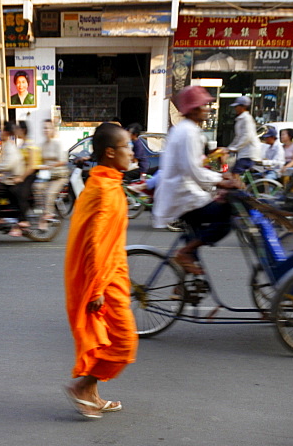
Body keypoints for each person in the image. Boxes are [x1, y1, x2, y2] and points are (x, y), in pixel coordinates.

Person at [64, 121, 138, 419]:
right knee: (123, 341)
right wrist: (95, 289)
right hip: (103, 280)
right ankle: (82, 388)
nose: (132, 151)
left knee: (109, 338)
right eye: (126, 146)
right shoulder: (103, 190)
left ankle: (91, 394)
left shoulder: (107, 181)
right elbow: (93, 244)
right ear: (110, 152)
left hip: (115, 273)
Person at [153, 85, 239, 276]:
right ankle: (184, 253)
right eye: (203, 106)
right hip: (184, 195)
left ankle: (182, 288)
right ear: (193, 109)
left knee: (195, 236)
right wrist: (221, 182)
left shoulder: (184, 129)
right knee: (226, 218)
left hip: (182, 192)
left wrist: (219, 178)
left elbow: (195, 167)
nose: (207, 109)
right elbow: (193, 170)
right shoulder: (189, 132)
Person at [39, 119, 68, 225]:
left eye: (48, 128)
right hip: (47, 176)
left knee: (49, 193)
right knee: (36, 189)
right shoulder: (43, 144)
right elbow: (39, 159)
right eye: (44, 128)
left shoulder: (57, 143)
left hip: (59, 176)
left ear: (52, 129)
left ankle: (49, 215)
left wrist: (49, 166)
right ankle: (40, 214)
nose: (45, 130)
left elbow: (63, 160)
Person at [14, 119, 40, 225]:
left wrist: (21, 177)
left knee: (19, 192)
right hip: (22, 174)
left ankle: (23, 220)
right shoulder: (21, 145)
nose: (15, 131)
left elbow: (31, 166)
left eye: (17, 129)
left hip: (30, 175)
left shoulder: (30, 145)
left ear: (23, 130)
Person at [227, 95, 260, 175]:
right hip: (243, 153)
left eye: (237, 106)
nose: (235, 109)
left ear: (243, 107)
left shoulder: (246, 118)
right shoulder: (240, 118)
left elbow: (246, 136)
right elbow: (238, 137)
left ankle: (240, 187)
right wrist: (229, 148)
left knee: (235, 173)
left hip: (249, 153)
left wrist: (235, 148)